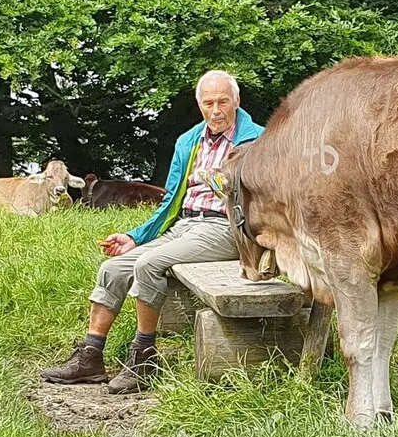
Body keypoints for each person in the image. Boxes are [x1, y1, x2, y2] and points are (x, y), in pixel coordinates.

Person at [40, 70, 263, 393]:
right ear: (199, 104)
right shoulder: (189, 141)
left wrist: (228, 184)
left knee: (149, 264)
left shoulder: (257, 140)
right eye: (208, 102)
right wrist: (135, 236)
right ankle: (91, 357)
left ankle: (144, 358)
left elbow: (269, 197)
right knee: (113, 268)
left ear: (237, 101)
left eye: (223, 102)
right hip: (185, 224)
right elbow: (170, 201)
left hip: (226, 229)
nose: (216, 110)